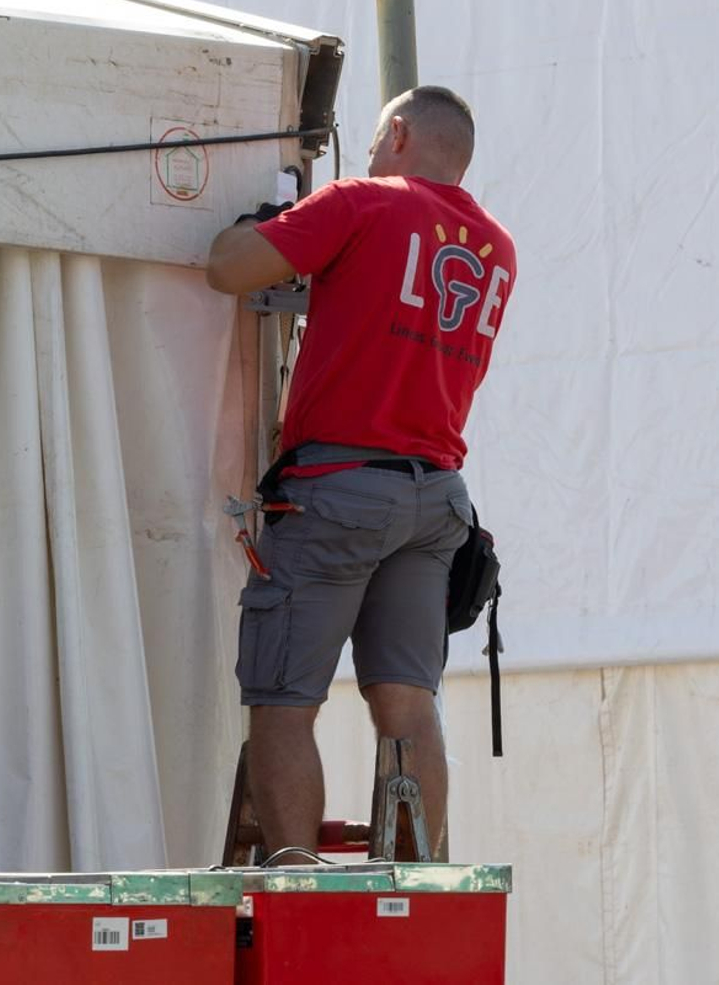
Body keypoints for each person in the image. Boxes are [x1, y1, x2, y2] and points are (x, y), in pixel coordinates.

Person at [205, 85, 516, 860]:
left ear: (398, 133)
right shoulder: (496, 247)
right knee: (408, 702)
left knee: (284, 700)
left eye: (376, 141)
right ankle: (416, 885)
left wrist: (260, 226)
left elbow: (228, 268)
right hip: (435, 498)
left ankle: (296, 889)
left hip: (337, 489)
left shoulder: (362, 203)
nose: (371, 156)